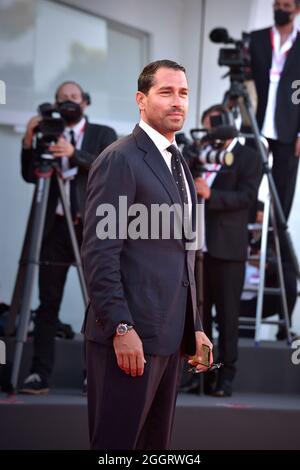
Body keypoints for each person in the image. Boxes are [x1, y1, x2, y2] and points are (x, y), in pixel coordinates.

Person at [81, 59, 213, 450]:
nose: (178, 102)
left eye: (184, 93)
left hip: (170, 339)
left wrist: (196, 326)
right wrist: (121, 327)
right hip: (129, 340)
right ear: (141, 99)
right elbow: (100, 252)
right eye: (166, 92)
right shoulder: (120, 159)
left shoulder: (179, 162)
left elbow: (184, 257)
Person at [19, 81, 117, 394]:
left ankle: (96, 372)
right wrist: (28, 141)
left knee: (99, 302)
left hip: (90, 227)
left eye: (74, 98)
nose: (68, 102)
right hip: (53, 230)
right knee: (48, 303)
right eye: (62, 99)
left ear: (85, 102)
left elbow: (109, 170)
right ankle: (39, 373)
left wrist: (74, 154)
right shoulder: (48, 131)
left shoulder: (103, 133)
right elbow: (29, 175)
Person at [194, 104, 262, 397]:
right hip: (198, 249)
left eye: (214, 126)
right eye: (207, 127)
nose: (211, 133)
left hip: (228, 250)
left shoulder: (248, 156)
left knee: (227, 316)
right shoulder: (200, 153)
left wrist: (212, 195)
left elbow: (247, 197)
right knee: (201, 317)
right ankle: (204, 372)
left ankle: (226, 376)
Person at [249, 0, 300, 220]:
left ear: (297, 9)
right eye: (277, 4)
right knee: (247, 178)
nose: (280, 9)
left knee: (283, 188)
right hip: (255, 122)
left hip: (290, 128)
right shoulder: (257, 38)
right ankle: (244, 235)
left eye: (286, 5)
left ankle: (275, 245)